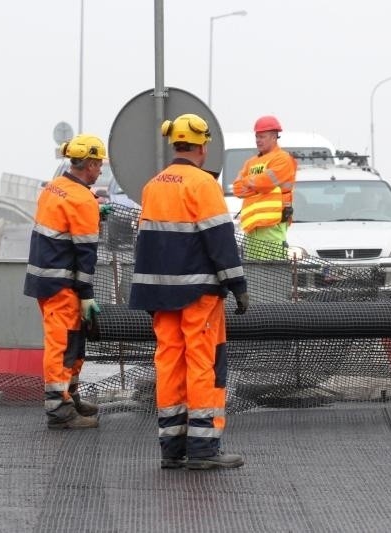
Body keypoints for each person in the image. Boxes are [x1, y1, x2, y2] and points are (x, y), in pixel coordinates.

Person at [130, 113, 249, 470]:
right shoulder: (202, 184)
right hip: (198, 294)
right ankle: (203, 449)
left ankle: (172, 448)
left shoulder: (153, 185)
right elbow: (220, 240)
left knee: (169, 362)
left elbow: (145, 243)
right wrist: (237, 286)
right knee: (203, 364)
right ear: (202, 145)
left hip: (160, 296)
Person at [24, 134, 109, 429]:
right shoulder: (82, 199)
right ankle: (59, 409)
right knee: (63, 344)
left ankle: (68, 396)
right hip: (63, 283)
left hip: (44, 279)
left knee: (73, 342)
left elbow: (63, 226)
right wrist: (86, 294)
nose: (100, 170)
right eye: (99, 165)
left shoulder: (55, 187)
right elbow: (85, 254)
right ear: (91, 164)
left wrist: (94, 210)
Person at [232, 115, 297, 260]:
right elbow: (237, 188)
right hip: (251, 227)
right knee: (256, 276)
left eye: (262, 136)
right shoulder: (251, 162)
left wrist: (248, 181)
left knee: (271, 274)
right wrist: (258, 185)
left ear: (274, 137)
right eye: (256, 136)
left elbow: (266, 181)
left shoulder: (283, 158)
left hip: (272, 225)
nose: (258, 140)